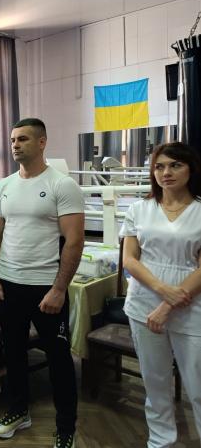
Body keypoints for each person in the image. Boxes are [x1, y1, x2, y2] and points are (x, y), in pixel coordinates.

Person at [0, 118, 84, 448]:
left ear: (42, 142)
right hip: (8, 285)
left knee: (58, 360)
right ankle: (18, 410)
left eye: (23, 139)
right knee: (13, 354)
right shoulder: (4, 185)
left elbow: (74, 241)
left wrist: (59, 289)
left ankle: (66, 427)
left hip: (46, 289)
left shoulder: (62, 185)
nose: (15, 144)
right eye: (13, 139)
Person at [120, 142, 201, 448]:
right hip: (143, 304)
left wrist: (168, 304)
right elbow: (130, 260)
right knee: (155, 382)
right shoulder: (139, 209)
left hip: (191, 305)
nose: (166, 172)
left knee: (198, 384)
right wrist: (163, 291)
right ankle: (160, 441)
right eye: (159, 166)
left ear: (190, 169)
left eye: (175, 165)